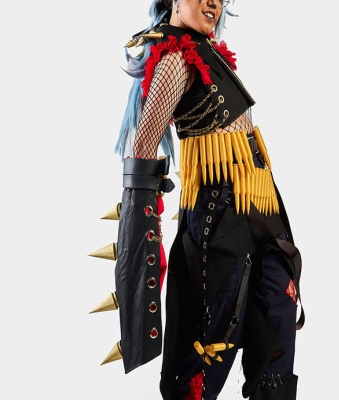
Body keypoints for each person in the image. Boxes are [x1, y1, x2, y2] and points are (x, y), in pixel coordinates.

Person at [89, 1, 305, 399]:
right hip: (220, 221)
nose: (213, 3)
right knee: (205, 355)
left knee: (275, 338)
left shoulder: (208, 52)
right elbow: (143, 144)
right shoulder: (175, 57)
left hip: (263, 214)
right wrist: (143, 239)